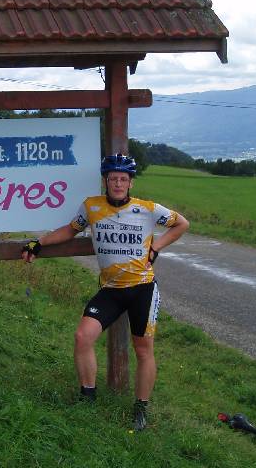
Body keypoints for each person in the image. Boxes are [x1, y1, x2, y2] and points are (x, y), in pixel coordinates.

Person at [22, 153, 189, 431]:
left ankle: (141, 408)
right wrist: (38, 243)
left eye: (124, 179)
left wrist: (157, 246)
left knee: (143, 350)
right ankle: (88, 396)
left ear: (130, 183)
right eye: (113, 179)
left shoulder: (148, 209)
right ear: (106, 181)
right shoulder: (92, 207)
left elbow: (182, 223)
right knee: (82, 336)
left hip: (142, 289)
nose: (118, 183)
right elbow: (69, 230)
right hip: (111, 290)